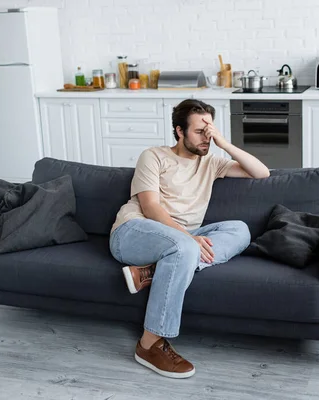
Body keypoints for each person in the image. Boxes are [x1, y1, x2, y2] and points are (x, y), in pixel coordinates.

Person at [109, 99, 270, 379]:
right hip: (134, 231)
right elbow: (150, 207)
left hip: (181, 241)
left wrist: (223, 142)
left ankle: (152, 272)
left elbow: (261, 172)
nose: (206, 137)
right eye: (199, 131)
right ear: (179, 131)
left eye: (210, 130)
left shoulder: (212, 162)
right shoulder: (154, 156)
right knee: (183, 246)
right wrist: (186, 239)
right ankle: (149, 344)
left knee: (240, 230)